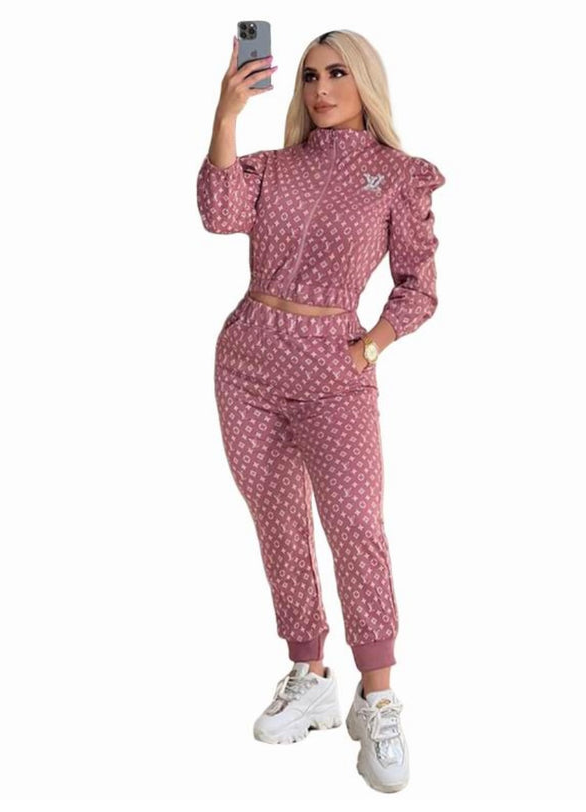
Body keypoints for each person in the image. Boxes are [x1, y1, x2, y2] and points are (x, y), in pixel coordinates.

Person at [196, 28, 445, 794]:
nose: (321, 88)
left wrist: (371, 346)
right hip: (248, 363)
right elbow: (219, 212)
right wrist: (226, 113)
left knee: (356, 526)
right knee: (278, 522)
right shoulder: (273, 167)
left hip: (335, 368)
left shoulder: (396, 175)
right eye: (309, 75)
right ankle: (310, 677)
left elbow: (419, 285)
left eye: (337, 73)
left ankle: (379, 697)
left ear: (364, 81)